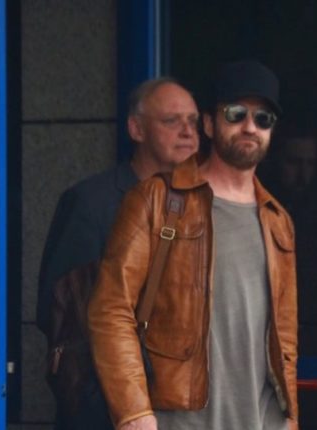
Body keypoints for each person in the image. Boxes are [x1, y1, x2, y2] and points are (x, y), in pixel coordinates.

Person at [88, 60, 299, 430]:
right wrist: (134, 413)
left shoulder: (277, 219)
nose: (250, 126)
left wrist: (291, 419)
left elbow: (285, 340)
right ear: (209, 124)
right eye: (236, 114)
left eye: (263, 118)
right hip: (179, 421)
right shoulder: (155, 199)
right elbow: (111, 309)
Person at [36, 77, 199, 429]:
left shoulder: (203, 205)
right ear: (136, 128)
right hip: (108, 410)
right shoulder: (91, 202)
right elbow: (61, 312)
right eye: (172, 121)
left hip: (183, 409)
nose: (188, 132)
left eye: (193, 121)